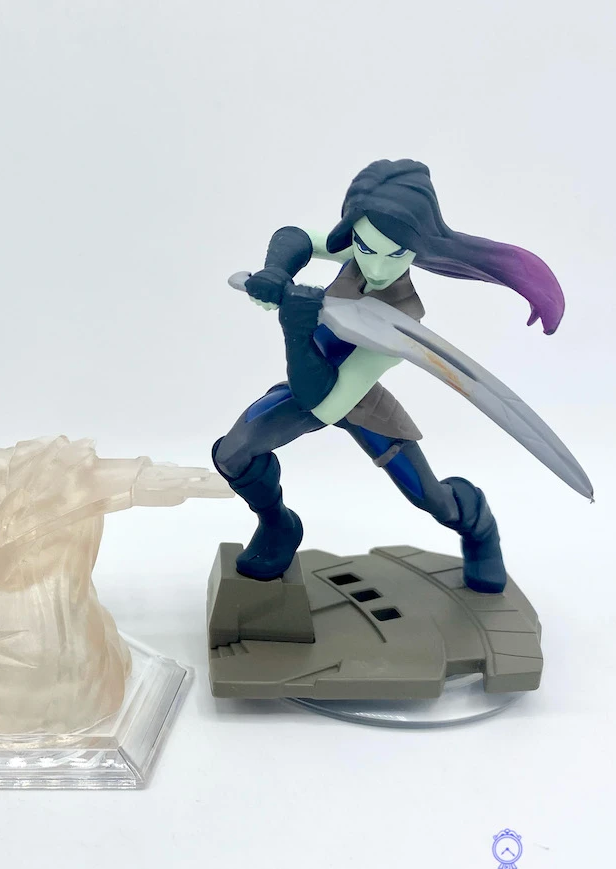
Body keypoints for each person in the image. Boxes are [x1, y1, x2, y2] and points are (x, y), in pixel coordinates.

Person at [213, 159, 565, 594]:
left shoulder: (405, 316)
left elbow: (329, 404)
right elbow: (297, 235)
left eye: (396, 254)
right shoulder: (362, 246)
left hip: (353, 400)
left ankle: (479, 527)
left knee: (428, 497)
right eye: (366, 248)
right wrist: (277, 272)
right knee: (234, 454)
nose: (377, 268)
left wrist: (297, 332)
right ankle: (277, 525)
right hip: (307, 383)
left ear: (417, 248)